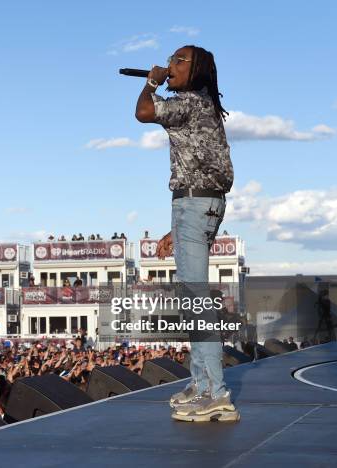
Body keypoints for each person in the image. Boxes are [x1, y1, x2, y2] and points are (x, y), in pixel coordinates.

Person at [135, 45, 236, 422]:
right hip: (197, 203)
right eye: (170, 60)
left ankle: (216, 393)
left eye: (180, 61)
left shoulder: (191, 103)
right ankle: (201, 383)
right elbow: (204, 165)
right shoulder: (203, 106)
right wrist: (176, 229)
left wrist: (151, 83)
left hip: (195, 204)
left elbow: (144, 111)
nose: (171, 65)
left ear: (198, 72)